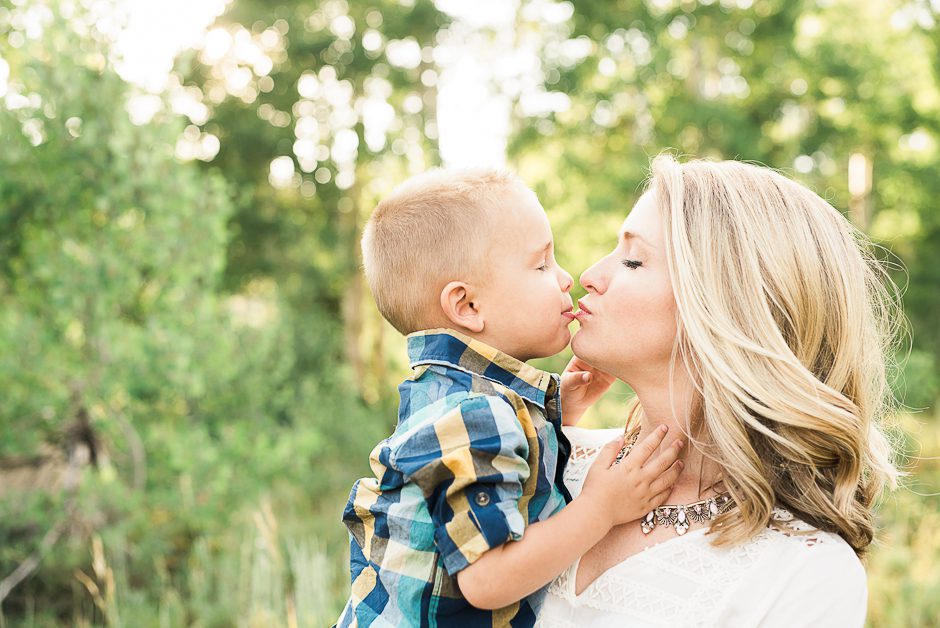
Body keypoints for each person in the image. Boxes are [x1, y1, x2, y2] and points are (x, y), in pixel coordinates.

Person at [536, 155, 901, 627]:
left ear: (726, 304)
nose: (588, 276)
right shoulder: (537, 461)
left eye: (632, 259)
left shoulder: (803, 572)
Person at [337, 168, 684, 627]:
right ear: (468, 307)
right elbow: (486, 581)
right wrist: (599, 509)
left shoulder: (459, 400)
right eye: (541, 264)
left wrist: (562, 411)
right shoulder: (474, 416)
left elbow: (509, 479)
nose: (567, 278)